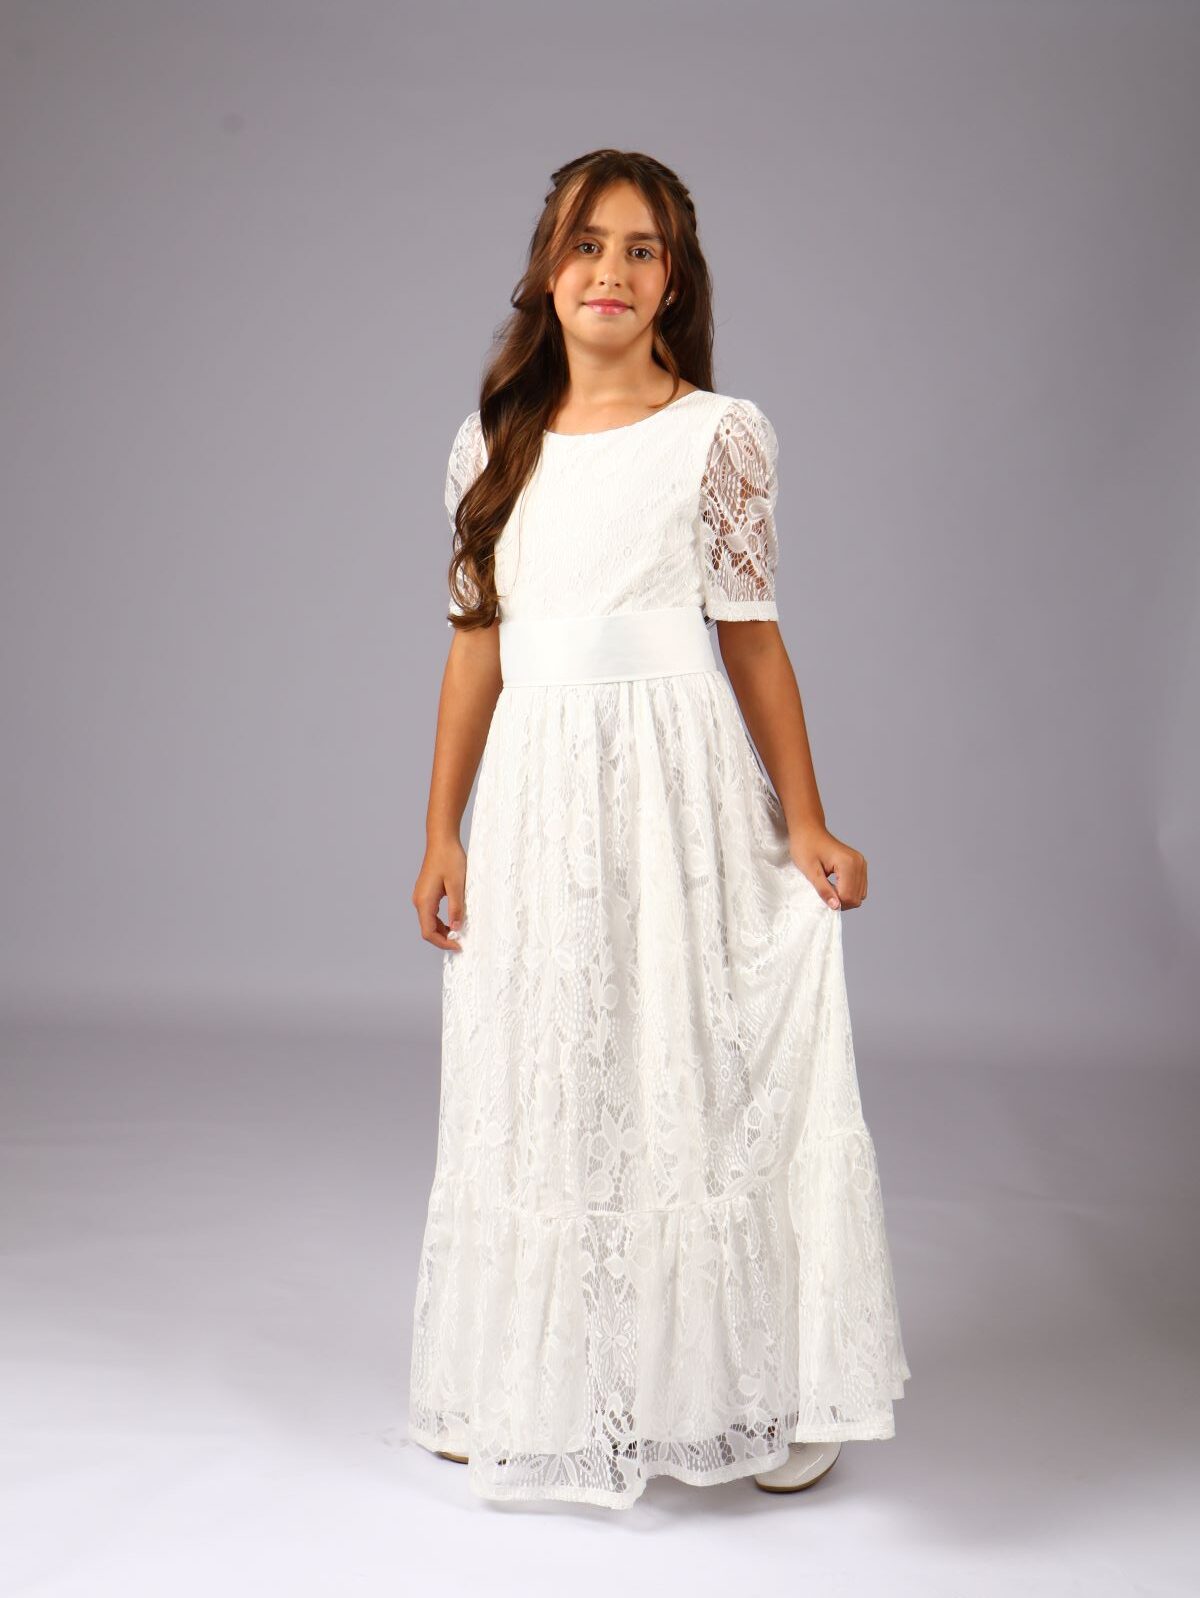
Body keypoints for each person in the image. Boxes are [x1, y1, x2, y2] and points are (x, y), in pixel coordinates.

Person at [408, 148, 910, 1512]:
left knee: (691, 1063)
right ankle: (519, 1383)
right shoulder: (491, 444)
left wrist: (806, 819)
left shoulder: (718, 434)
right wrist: (443, 829)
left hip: (678, 787)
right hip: (539, 797)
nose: (611, 273)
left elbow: (751, 638)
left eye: (641, 250)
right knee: (549, 1066)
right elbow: (474, 648)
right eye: (587, 245)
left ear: (674, 280)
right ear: (546, 268)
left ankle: (757, 1385)